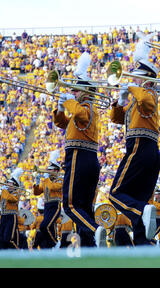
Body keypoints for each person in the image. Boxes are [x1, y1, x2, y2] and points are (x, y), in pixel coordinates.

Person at [109, 33, 160, 245]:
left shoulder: (149, 94)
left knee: (115, 194)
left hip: (141, 148)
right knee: (139, 199)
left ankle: (141, 212)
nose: (133, 79)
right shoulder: (135, 100)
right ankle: (143, 245)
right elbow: (117, 120)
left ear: (147, 79)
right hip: (145, 150)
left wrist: (131, 88)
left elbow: (146, 103)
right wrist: (120, 100)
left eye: (136, 76)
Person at [53, 52, 104, 247]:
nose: (73, 92)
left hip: (79, 158)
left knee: (70, 205)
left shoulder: (88, 107)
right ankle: (92, 246)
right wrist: (60, 107)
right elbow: (63, 123)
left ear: (86, 90)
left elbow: (81, 115)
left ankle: (93, 230)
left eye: (76, 89)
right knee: (84, 207)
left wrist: (68, 102)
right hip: (87, 160)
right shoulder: (80, 108)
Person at [32, 150, 63, 249]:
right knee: (49, 227)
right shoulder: (47, 181)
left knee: (44, 226)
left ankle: (56, 243)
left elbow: (53, 187)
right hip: (47, 206)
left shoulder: (60, 179)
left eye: (51, 170)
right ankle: (50, 246)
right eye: (48, 169)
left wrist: (46, 179)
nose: (48, 171)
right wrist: (36, 183)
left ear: (57, 170)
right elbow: (37, 192)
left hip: (55, 205)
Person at [0, 168, 23, 249]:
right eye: (8, 183)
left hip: (11, 217)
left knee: (8, 238)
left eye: (10, 183)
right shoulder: (5, 192)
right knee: (1, 239)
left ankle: (17, 251)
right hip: (3, 217)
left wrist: (3, 191)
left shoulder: (16, 193)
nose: (8, 184)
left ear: (15, 185)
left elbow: (11, 199)